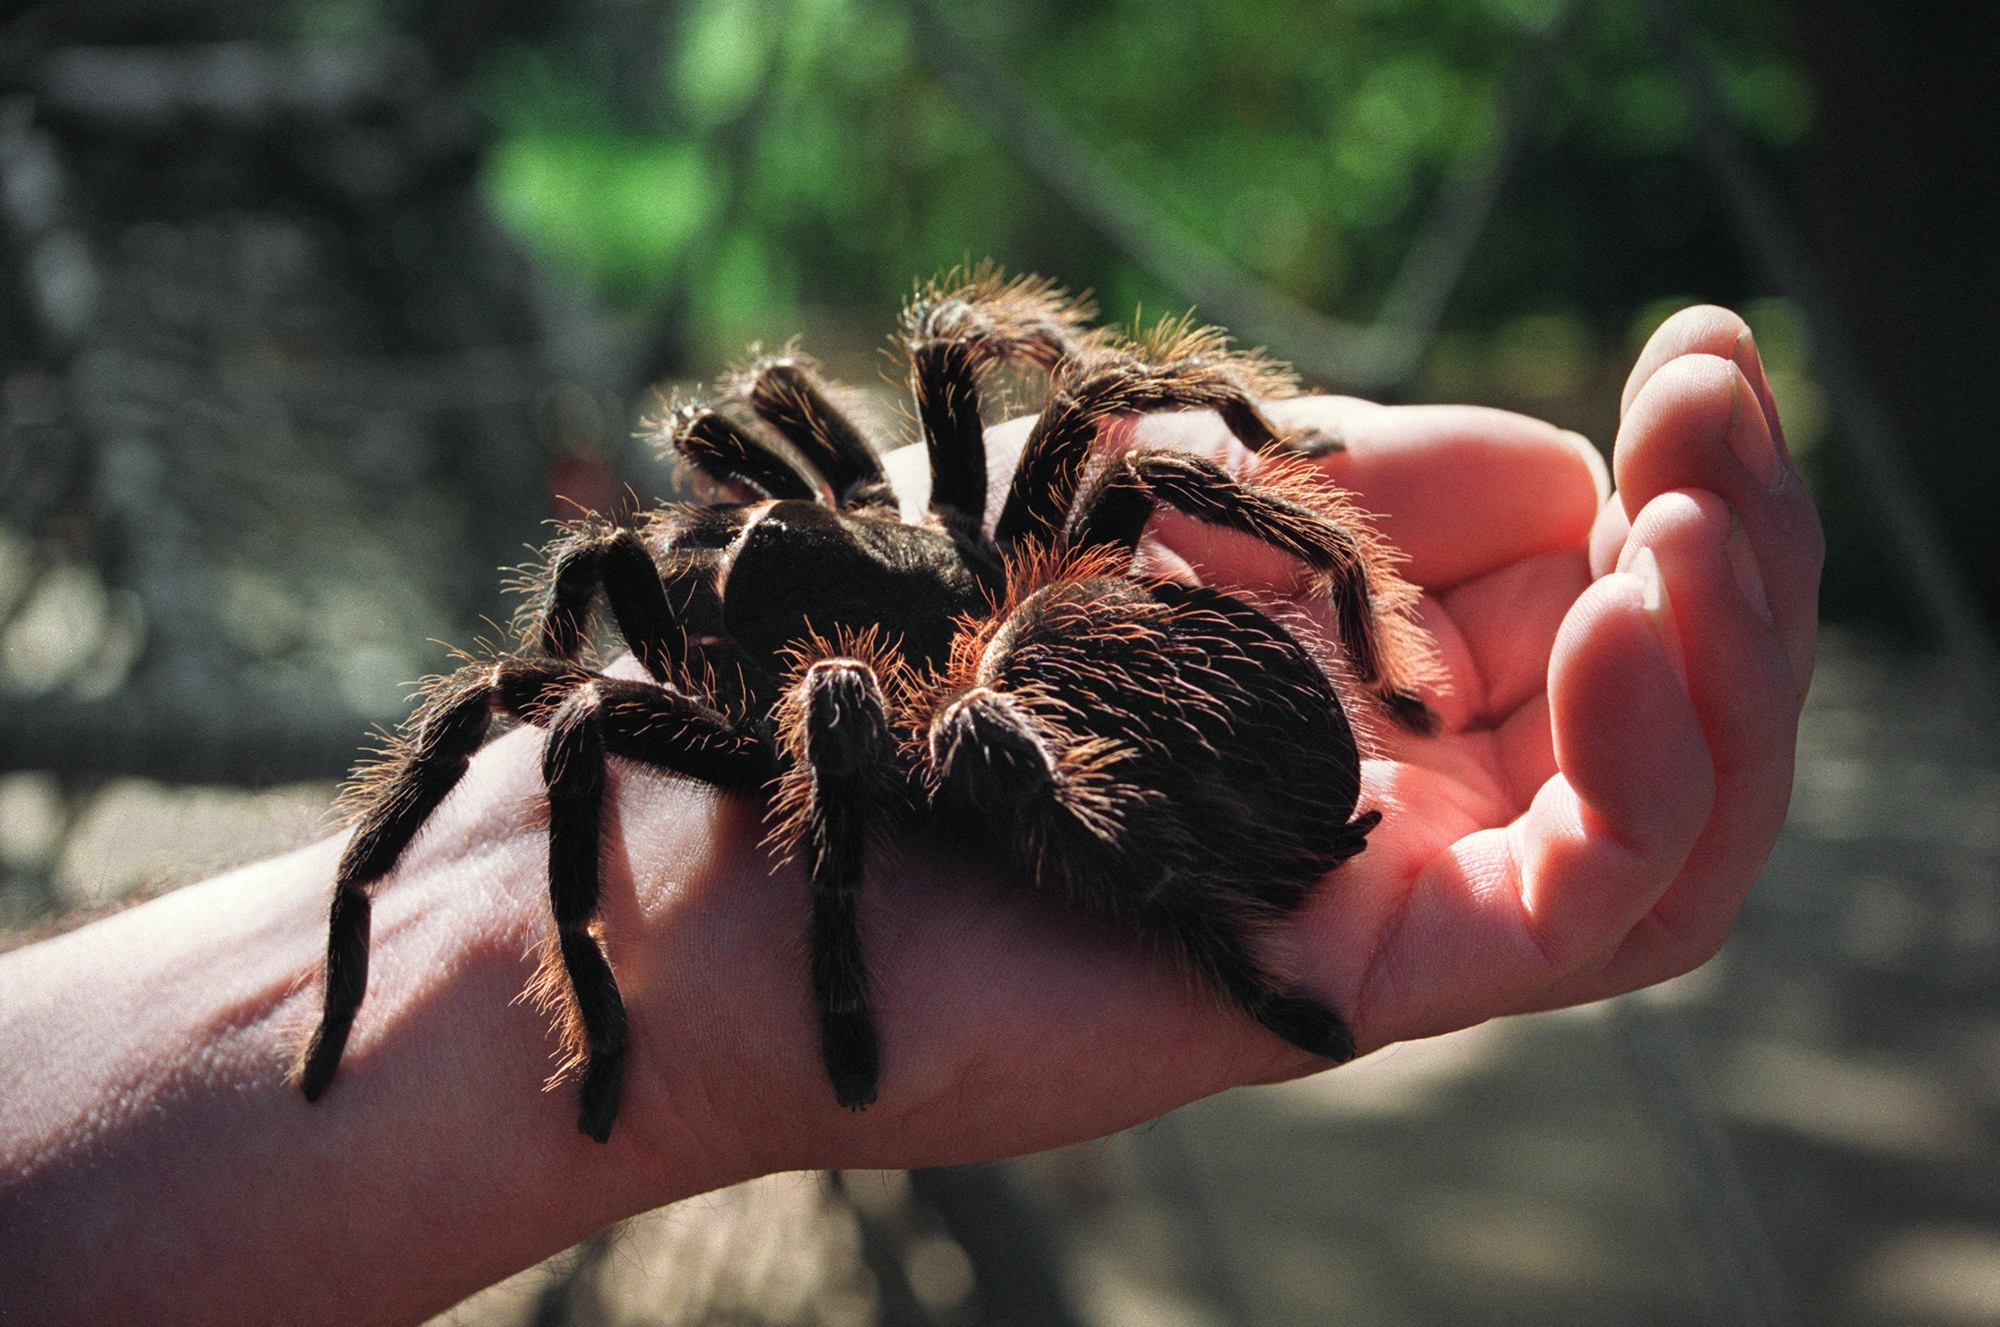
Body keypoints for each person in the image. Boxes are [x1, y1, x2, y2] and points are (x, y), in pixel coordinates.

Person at [0, 306, 1820, 1325]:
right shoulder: (942, 560)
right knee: (559, 724)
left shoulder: (857, 647)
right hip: (1010, 659)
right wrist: (526, 970)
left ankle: (1256, 823)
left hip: (1032, 686)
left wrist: (1265, 470)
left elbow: (1027, 383)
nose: (712, 554)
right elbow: (589, 691)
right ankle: (1274, 785)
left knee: (1054, 450)